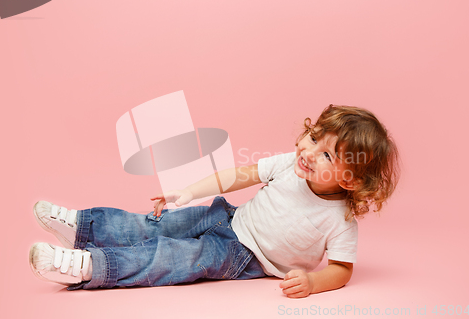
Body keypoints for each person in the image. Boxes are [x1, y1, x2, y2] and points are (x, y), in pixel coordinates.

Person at [29, 104, 399, 298]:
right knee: (158, 223)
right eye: (314, 137)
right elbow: (239, 175)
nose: (309, 150)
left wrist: (313, 282)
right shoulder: (289, 164)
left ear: (350, 180)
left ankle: (89, 265)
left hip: (242, 257)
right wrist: (189, 191)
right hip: (227, 217)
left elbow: (342, 269)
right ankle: (84, 227)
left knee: (170, 256)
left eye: (328, 155)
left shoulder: (339, 219)